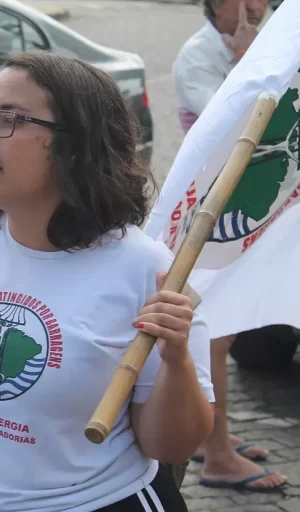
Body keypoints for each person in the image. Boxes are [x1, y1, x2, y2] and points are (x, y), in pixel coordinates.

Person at [0, 50, 215, 512]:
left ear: (73, 144)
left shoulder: (148, 271)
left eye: (9, 119)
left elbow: (170, 446)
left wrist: (176, 361)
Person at [172, 0, 287, 491]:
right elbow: (236, 121)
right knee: (211, 331)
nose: (259, 6)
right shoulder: (198, 55)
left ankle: (208, 433)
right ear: (218, 5)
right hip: (210, 213)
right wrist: (244, 55)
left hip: (247, 207)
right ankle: (216, 454)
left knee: (228, 326)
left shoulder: (260, 43)